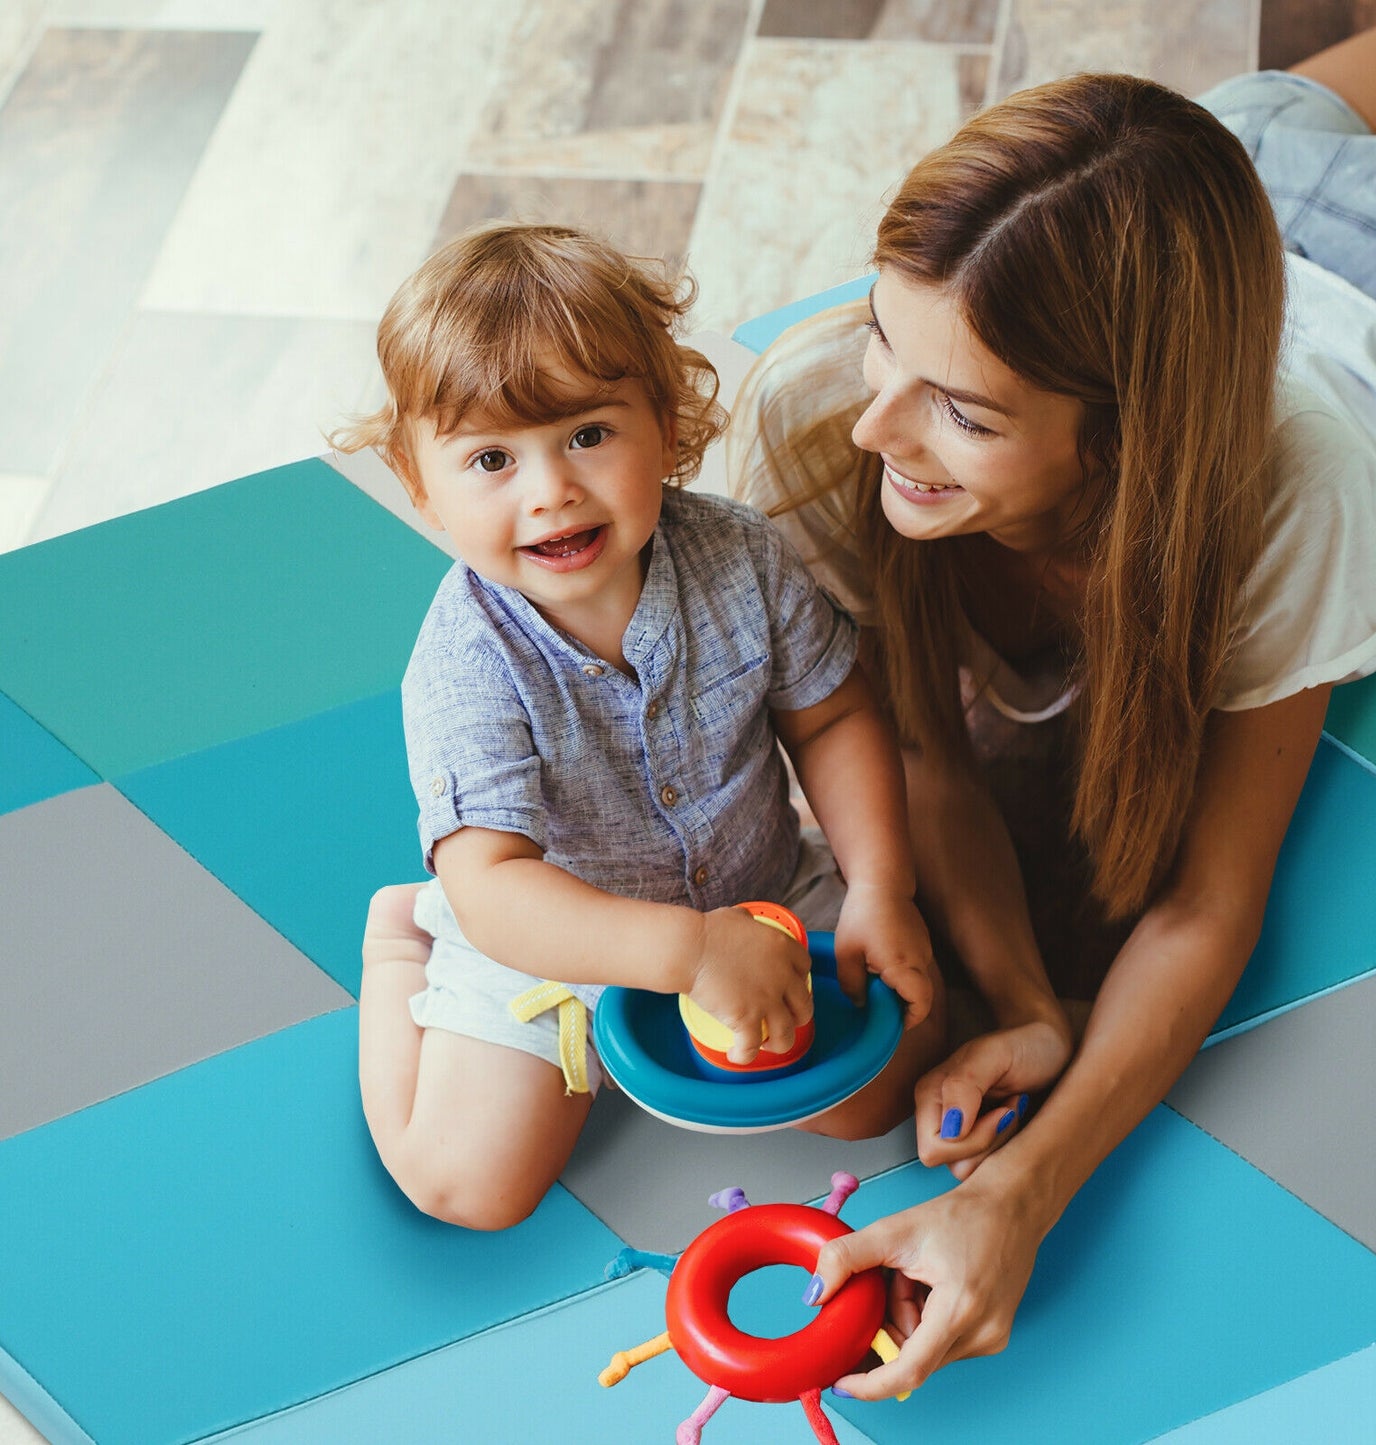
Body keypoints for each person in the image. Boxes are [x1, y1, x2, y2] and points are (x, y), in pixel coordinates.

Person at [727, 2, 1376, 1397]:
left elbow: (1205, 904)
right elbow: (916, 745)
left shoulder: (1296, 506)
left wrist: (1022, 1194)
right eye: (882, 334)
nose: (877, 426)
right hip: (1221, 186)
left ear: (1121, 446)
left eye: (962, 412)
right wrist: (1023, 1001)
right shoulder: (817, 417)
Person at [331, 222, 947, 1231]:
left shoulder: (740, 555)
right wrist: (687, 952)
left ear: (665, 421)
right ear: (418, 482)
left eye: (587, 434)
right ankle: (403, 938)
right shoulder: (463, 664)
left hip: (759, 886)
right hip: (543, 939)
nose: (551, 491)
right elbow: (496, 886)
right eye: (491, 458)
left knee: (880, 1094)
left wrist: (881, 884)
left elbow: (834, 714)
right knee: (468, 1188)